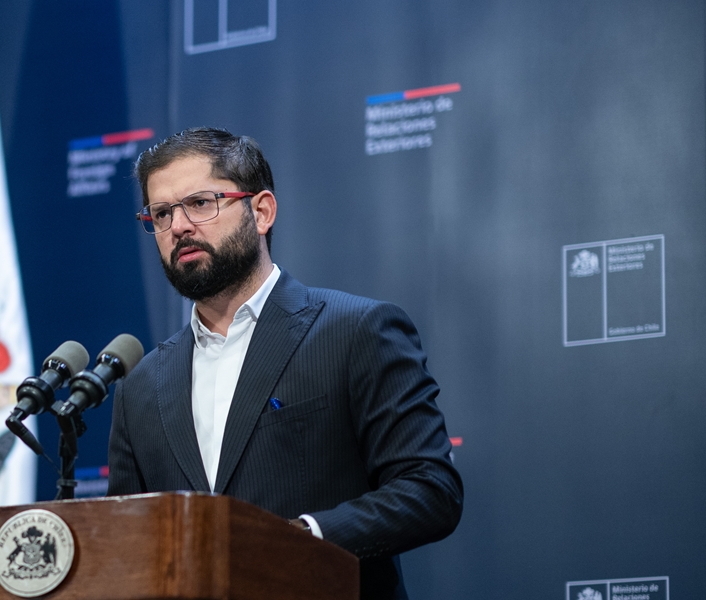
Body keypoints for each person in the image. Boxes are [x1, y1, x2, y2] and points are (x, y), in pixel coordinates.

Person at [106, 127, 463, 599]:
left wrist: (299, 538)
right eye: (162, 213)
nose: (179, 227)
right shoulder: (142, 386)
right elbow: (128, 542)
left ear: (261, 211)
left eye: (200, 203)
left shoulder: (356, 331)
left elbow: (430, 489)